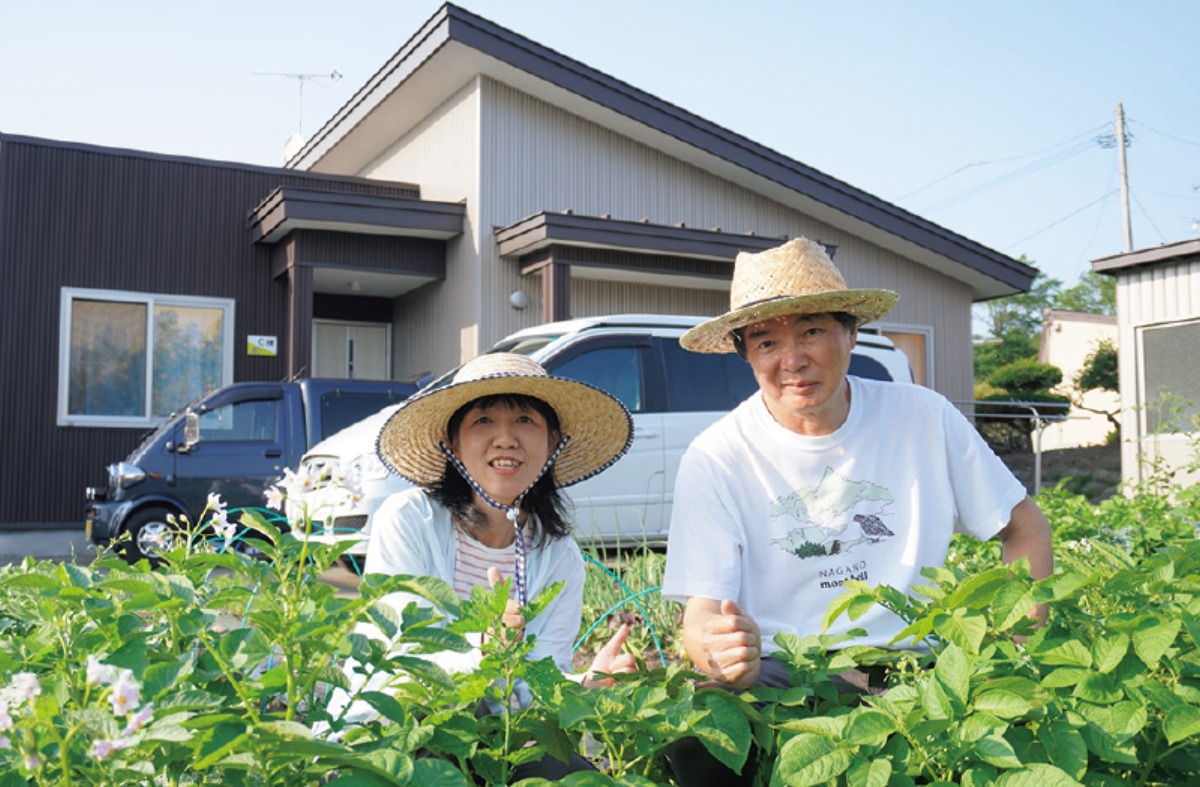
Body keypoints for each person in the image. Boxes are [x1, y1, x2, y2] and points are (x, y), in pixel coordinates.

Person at [661, 237, 1054, 784]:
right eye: (766, 340)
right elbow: (700, 616)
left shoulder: (922, 416)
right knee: (696, 727)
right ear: (745, 354)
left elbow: (1023, 526)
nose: (791, 359)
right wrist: (719, 653)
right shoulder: (718, 455)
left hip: (921, 664)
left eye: (812, 331)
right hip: (785, 672)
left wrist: (1013, 646)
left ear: (850, 332)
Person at [350, 353, 638, 778]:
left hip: (500, 736)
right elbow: (399, 655)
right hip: (401, 727)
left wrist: (585, 686)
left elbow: (538, 683)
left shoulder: (559, 556)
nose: (505, 439)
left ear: (553, 441)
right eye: (483, 421)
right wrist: (484, 648)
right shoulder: (410, 520)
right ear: (452, 443)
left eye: (525, 421)